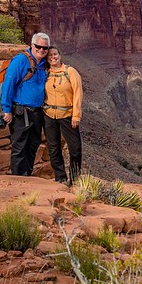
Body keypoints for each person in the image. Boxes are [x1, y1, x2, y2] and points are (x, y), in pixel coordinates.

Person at [0, 32, 50, 176]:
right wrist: (6, 109)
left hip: (37, 112)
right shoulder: (21, 60)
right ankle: (18, 179)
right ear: (32, 45)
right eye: (38, 47)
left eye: (44, 48)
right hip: (21, 111)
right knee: (19, 146)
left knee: (33, 145)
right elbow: (8, 84)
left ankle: (27, 175)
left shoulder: (44, 64)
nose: (41, 50)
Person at [43, 45, 83, 185]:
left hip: (67, 114)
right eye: (50, 56)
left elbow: (78, 93)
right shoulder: (45, 72)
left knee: (75, 148)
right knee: (53, 148)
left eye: (55, 54)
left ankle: (74, 178)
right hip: (49, 114)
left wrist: (76, 115)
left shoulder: (70, 71)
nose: (53, 57)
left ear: (60, 55)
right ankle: (60, 177)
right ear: (47, 59)